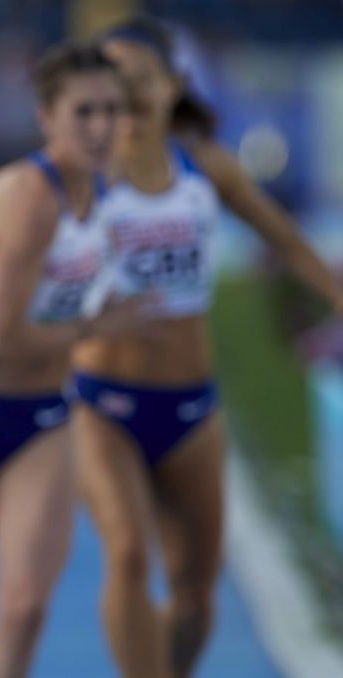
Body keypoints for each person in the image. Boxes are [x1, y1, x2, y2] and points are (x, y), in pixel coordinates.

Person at [71, 17, 343, 678]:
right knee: (130, 558)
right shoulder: (71, 174)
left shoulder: (206, 167)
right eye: (112, 80)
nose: (126, 94)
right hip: (103, 406)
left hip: (192, 406)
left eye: (141, 79)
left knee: (195, 595)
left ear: (173, 85)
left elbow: (287, 243)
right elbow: (19, 279)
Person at [0, 42, 153, 677]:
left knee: (24, 611)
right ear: (48, 116)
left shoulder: (98, 191)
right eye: (84, 113)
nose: (101, 128)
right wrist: (102, 323)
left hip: (42, 416)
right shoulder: (32, 201)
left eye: (112, 112)